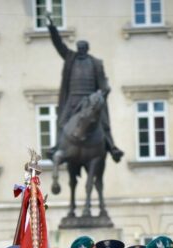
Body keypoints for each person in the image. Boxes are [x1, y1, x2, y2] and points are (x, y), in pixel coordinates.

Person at [46, 15, 123, 162]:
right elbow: (58, 44)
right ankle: (57, 146)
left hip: (90, 99)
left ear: (87, 49)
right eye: (79, 48)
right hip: (73, 97)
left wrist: (104, 91)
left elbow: (102, 84)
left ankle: (112, 147)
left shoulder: (96, 63)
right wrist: (52, 28)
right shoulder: (70, 57)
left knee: (103, 122)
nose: (80, 50)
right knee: (61, 121)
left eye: (83, 48)